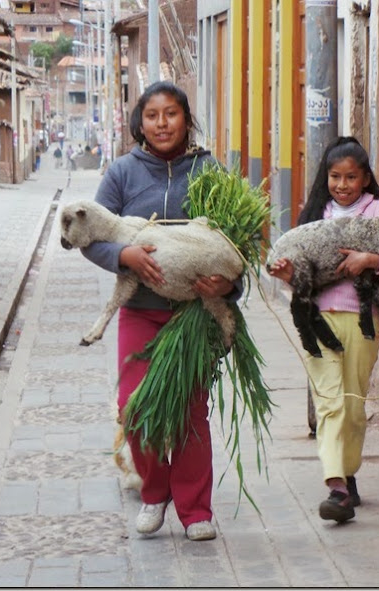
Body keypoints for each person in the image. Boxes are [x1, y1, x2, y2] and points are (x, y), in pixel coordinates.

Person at [80, 81, 241, 542]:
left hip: (194, 315)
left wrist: (228, 284)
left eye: (171, 114)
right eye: (152, 115)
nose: (162, 123)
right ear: (140, 123)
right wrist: (123, 258)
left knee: (190, 411)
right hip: (140, 311)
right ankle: (155, 493)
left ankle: (195, 510)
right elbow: (91, 234)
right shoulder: (122, 174)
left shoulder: (209, 170)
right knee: (135, 407)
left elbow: (237, 238)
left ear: (186, 119)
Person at [268, 136, 379, 523]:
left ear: (366, 178)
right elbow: (300, 271)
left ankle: (347, 475)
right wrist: (287, 274)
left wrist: (370, 259)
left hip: (364, 322)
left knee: (352, 406)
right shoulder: (317, 214)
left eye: (351, 176)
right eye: (335, 176)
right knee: (330, 402)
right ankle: (335, 486)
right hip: (318, 320)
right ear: (326, 178)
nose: (343, 184)